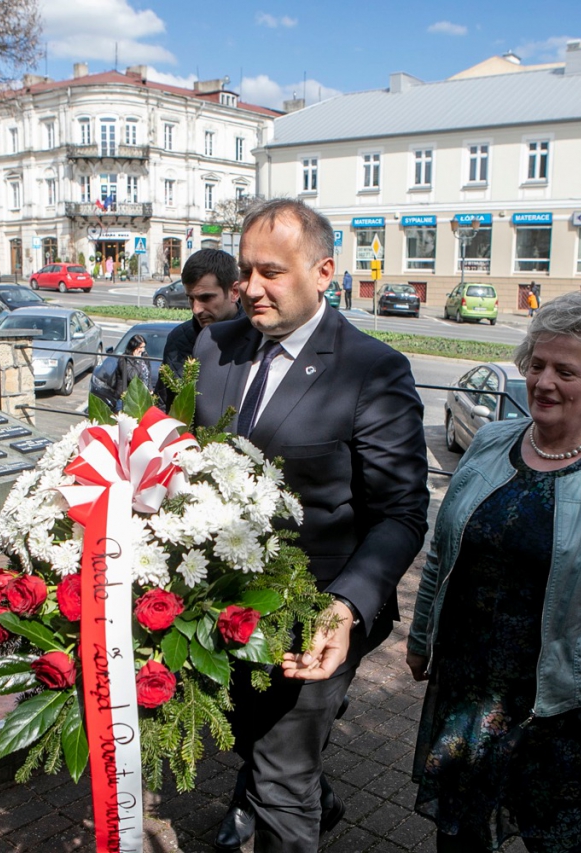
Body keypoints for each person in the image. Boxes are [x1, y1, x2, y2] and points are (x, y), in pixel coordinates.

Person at [406, 290, 581, 853]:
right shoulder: (489, 444)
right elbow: (443, 553)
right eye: (536, 365)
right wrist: (420, 638)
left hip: (563, 703)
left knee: (557, 843)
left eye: (566, 371)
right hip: (471, 688)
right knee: (461, 835)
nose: (543, 382)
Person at [194, 198, 430, 852]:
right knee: (247, 736)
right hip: (213, 603)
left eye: (272, 271)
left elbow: (403, 511)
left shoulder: (372, 371)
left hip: (316, 609)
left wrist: (347, 603)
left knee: (280, 773)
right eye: (245, 271)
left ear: (324, 271)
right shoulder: (213, 346)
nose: (251, 288)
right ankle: (314, 795)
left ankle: (297, 808)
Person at [154, 248, 242, 408]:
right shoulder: (178, 340)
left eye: (206, 297)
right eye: (190, 298)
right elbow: (163, 406)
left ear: (234, 292)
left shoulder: (258, 337)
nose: (196, 309)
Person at [112, 334, 150, 407]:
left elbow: (148, 373)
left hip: (141, 397)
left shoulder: (144, 356)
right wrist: (137, 360)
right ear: (134, 347)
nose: (143, 350)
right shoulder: (124, 359)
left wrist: (150, 388)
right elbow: (132, 377)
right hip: (127, 399)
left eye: (144, 347)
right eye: (140, 347)